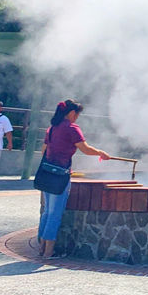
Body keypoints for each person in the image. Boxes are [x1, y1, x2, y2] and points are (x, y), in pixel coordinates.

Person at [38, 100, 111, 258]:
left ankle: (42, 247)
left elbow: (44, 149)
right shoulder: (72, 128)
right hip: (61, 175)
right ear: (71, 113)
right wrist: (101, 153)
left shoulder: (51, 128)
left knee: (47, 212)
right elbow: (85, 149)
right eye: (77, 114)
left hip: (47, 173)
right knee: (55, 214)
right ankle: (49, 252)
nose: (77, 117)